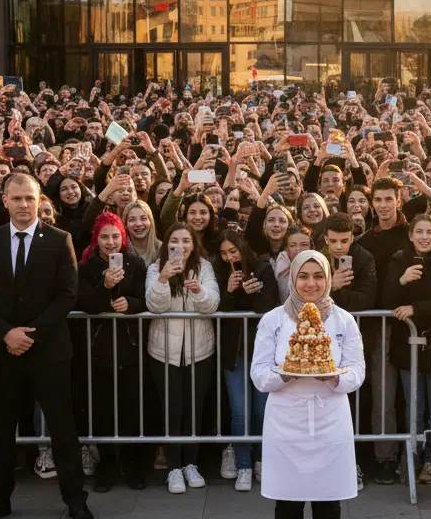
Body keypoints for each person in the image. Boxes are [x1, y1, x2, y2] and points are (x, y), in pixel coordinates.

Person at [0, 174, 91, 519]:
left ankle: (76, 502)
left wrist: (29, 334)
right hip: (2, 350)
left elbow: (67, 295)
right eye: (17, 198)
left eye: (29, 199)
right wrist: (6, 333)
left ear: (39, 200)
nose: (23, 205)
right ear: (5, 200)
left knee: (62, 429)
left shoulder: (59, 240)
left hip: (47, 351)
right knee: (1, 430)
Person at [251, 250, 365, 519]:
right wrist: (284, 373)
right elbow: (258, 373)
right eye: (303, 276)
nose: (310, 283)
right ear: (292, 278)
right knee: (287, 504)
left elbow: (357, 371)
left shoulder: (343, 320)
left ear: (328, 279)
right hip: (285, 425)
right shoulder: (273, 320)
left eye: (318, 276)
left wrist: (334, 377)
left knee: (328, 505)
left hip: (330, 423)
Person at [382, 213, 431, 484]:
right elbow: (386, 300)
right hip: (409, 348)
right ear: (411, 235)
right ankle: (412, 457)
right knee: (413, 408)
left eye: (430, 232)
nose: (425, 237)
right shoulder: (398, 260)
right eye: (420, 231)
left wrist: (417, 308)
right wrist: (402, 281)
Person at [75, 211, 150, 492]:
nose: (110, 242)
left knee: (131, 409)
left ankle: (132, 466)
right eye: (104, 237)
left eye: (115, 236)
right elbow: (84, 303)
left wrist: (129, 303)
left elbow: (145, 298)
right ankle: (106, 465)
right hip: (98, 350)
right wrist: (104, 286)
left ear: (123, 238)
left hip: (130, 349)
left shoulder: (136, 263)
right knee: (103, 411)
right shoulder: (87, 267)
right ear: (96, 239)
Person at [145, 223, 220, 494]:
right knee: (172, 410)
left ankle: (191, 463)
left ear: (193, 244)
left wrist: (199, 290)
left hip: (199, 351)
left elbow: (212, 304)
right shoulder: (156, 268)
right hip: (164, 352)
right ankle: (174, 467)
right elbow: (155, 305)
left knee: (194, 410)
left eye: (186, 240)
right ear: (167, 245)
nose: (181, 246)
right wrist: (164, 279)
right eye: (174, 240)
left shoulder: (205, 268)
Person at [214, 230, 280, 491]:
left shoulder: (263, 269)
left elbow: (270, 306)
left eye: (233, 251)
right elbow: (218, 310)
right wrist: (229, 291)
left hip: (262, 353)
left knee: (262, 410)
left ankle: (263, 460)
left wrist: (253, 293)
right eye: (224, 253)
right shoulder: (219, 273)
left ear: (243, 248)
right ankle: (243, 464)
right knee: (239, 411)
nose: (229, 257)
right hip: (234, 352)